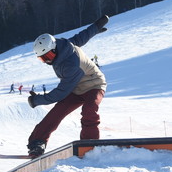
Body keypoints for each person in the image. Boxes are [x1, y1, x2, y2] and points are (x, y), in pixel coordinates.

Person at [25, 15, 110, 157]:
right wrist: (95, 27)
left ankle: (89, 144)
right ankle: (37, 143)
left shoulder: (71, 64)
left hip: (94, 84)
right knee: (56, 113)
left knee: (89, 110)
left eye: (48, 57)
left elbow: (60, 93)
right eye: (43, 59)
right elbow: (80, 37)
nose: (47, 61)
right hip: (76, 88)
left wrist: (37, 100)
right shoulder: (64, 45)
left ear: (54, 49)